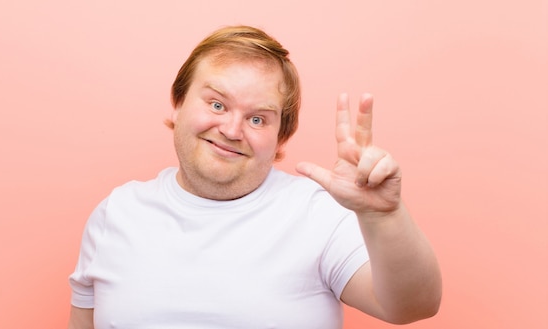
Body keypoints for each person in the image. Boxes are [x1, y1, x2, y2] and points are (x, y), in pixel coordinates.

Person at [67, 25, 442, 329]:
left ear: (281, 136)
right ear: (178, 102)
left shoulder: (318, 213)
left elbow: (412, 306)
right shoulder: (116, 213)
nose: (232, 129)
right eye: (216, 104)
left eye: (258, 118)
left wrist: (384, 216)